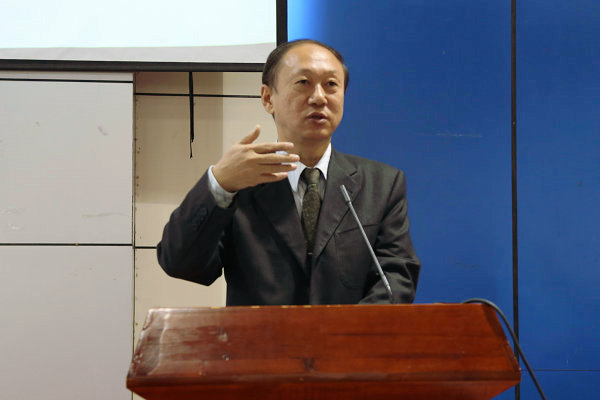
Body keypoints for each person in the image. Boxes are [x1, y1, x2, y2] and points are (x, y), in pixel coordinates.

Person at [157, 39, 421, 305]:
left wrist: (346, 329)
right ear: (268, 98)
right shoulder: (239, 183)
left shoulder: (382, 184)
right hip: (261, 333)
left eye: (331, 84)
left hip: (352, 333)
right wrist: (219, 184)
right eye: (303, 82)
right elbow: (181, 264)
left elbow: (397, 278)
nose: (319, 97)